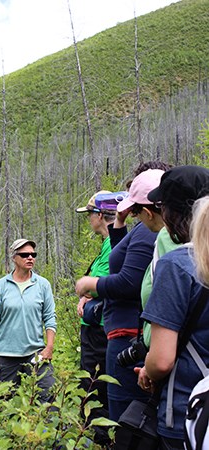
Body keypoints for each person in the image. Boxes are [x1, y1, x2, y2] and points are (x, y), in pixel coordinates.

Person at [76, 171, 159, 422]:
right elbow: (122, 263)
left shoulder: (149, 230)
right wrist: (120, 223)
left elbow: (128, 281)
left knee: (123, 414)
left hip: (126, 333)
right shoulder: (138, 230)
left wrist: (93, 285)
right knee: (114, 404)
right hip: (118, 332)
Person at [135, 165, 209, 449]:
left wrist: (147, 373)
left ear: (174, 213)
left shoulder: (177, 266)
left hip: (187, 413)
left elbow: (162, 359)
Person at [75, 189, 127, 446]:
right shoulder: (108, 244)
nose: (89, 220)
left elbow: (104, 284)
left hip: (101, 331)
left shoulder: (113, 246)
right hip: (96, 329)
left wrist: (87, 291)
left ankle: (101, 438)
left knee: (96, 385)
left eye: (89, 215)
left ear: (99, 215)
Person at [0, 238, 57, 403]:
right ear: (14, 258)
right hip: (5, 355)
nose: (30, 258)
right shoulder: (1, 285)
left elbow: (50, 317)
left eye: (33, 254)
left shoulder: (43, 285)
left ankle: (46, 429)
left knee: (49, 398)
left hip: (36, 353)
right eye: (25, 255)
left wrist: (49, 346)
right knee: (4, 403)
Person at [116, 169, 180, 348]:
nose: (137, 219)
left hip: (172, 355)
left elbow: (167, 305)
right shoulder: (191, 235)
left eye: (136, 213)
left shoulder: (166, 239)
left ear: (148, 212)